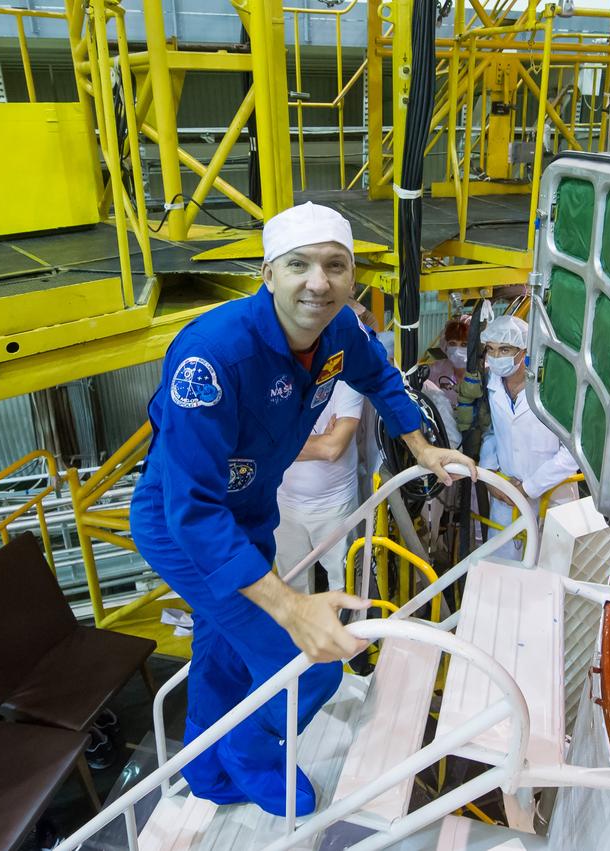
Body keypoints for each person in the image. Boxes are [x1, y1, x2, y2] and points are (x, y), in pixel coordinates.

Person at [128, 202, 474, 817]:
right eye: (299, 265)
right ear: (268, 275)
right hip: (187, 529)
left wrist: (420, 446)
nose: (318, 281)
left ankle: (206, 765)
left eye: (334, 266)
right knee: (311, 666)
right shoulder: (212, 358)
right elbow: (193, 510)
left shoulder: (340, 330)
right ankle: (248, 756)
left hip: (253, 512)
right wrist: (290, 606)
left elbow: (382, 376)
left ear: (351, 277)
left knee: (222, 647)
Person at [478, 314, 579, 540]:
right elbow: (494, 432)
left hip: (551, 497)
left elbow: (574, 452)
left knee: (549, 570)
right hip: (505, 495)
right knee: (502, 569)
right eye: (490, 349)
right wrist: (490, 474)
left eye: (505, 349)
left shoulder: (553, 389)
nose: (495, 357)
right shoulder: (493, 383)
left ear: (525, 351)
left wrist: (529, 488)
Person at [274, 378, 363, 595]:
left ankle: (345, 628)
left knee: (344, 586)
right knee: (291, 586)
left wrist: (277, 443)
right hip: (284, 504)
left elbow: (333, 448)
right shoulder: (273, 379)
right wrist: (322, 439)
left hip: (335, 505)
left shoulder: (347, 380)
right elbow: (254, 441)